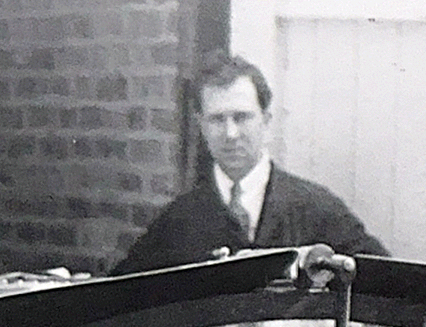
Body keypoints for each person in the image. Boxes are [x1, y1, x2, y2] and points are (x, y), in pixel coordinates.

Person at [114, 53, 386, 273]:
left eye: (242, 117)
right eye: (217, 120)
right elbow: (122, 296)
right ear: (201, 126)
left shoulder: (317, 209)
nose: (231, 134)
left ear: (266, 120)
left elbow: (384, 280)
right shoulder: (177, 221)